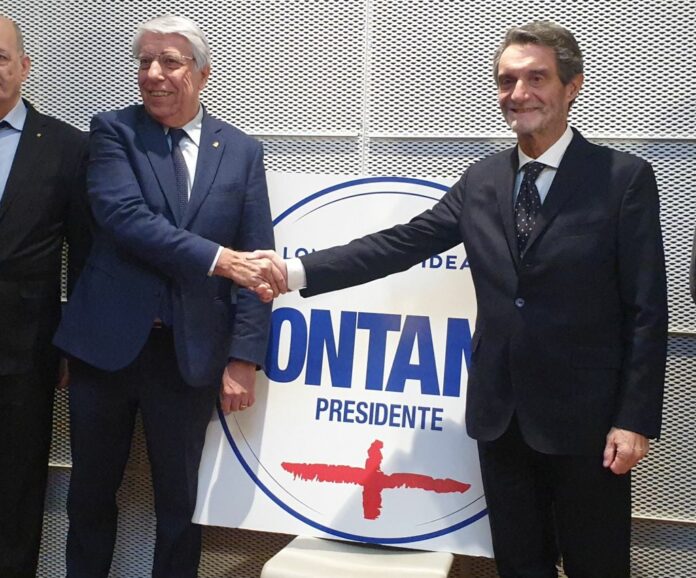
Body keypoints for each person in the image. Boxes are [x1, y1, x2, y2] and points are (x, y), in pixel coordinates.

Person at [254, 20, 668, 578]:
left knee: (598, 567)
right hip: (502, 421)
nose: (518, 93)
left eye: (536, 78)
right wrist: (293, 271)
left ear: (572, 87)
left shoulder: (622, 178)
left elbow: (646, 310)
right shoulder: (483, 179)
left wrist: (634, 420)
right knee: (520, 567)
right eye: (506, 80)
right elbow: (401, 243)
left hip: (589, 427)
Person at [53, 15, 283, 578]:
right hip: (104, 350)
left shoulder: (242, 152)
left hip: (190, 356)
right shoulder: (113, 131)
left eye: (170, 62)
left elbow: (257, 259)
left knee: (182, 508)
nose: (153, 74)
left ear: (202, 74)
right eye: (145, 62)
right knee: (89, 497)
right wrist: (218, 259)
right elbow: (125, 217)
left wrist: (244, 357)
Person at [0, 16, 92, 578]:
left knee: (17, 488)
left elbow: (83, 254)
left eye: (0, 56)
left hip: (26, 348)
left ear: (24, 66)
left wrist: (73, 345)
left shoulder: (65, 147)